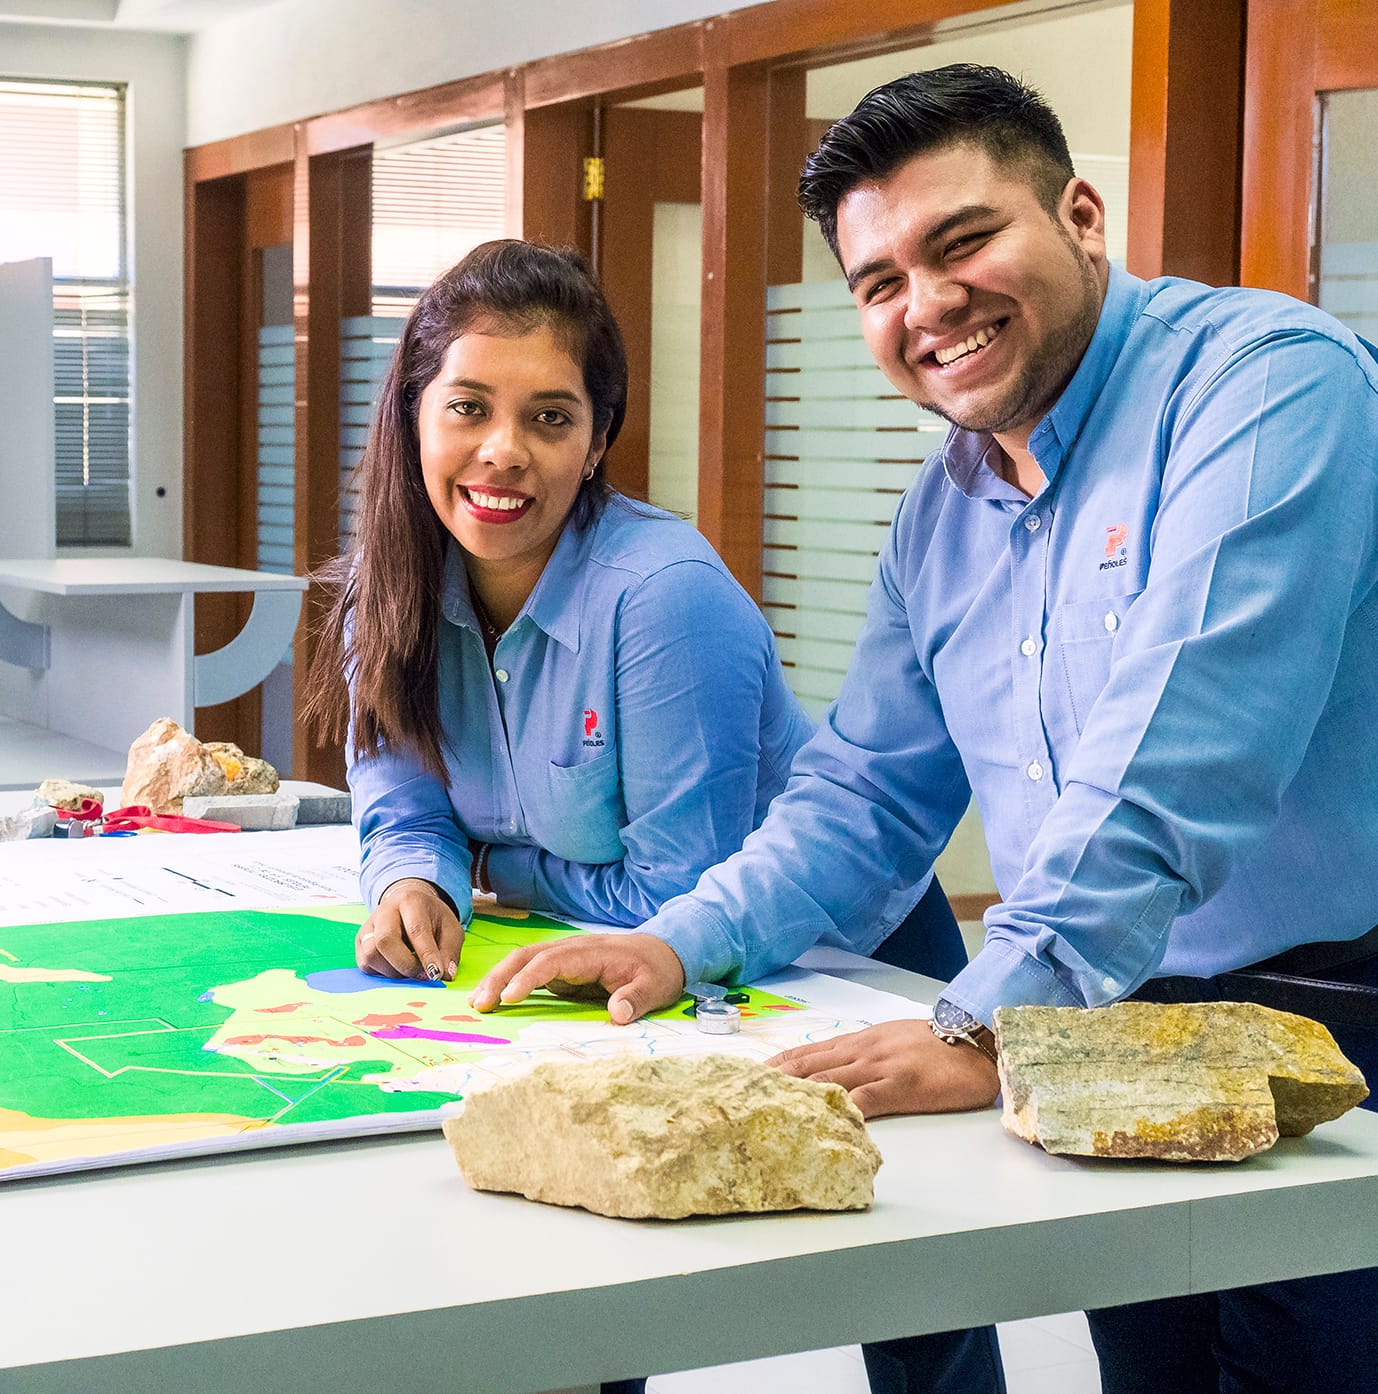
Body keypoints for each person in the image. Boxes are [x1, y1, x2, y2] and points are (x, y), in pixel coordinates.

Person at [468, 64, 1378, 1394]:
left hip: (1336, 1008)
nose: (927, 304)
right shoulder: (942, 510)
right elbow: (865, 797)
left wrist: (983, 1020)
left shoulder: (1263, 383)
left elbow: (1183, 747)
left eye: (961, 242)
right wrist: (676, 942)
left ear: (1079, 215)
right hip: (1108, 1019)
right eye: (879, 281)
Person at [309, 237, 1004, 1394]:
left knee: (914, 1305)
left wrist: (497, 867)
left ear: (596, 440)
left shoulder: (662, 594)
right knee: (583, 1273)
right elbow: (396, 785)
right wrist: (415, 876)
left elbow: (681, 889)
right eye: (468, 407)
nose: (502, 453)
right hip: (631, 973)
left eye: (549, 417)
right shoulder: (387, 582)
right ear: (411, 417)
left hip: (836, 962)